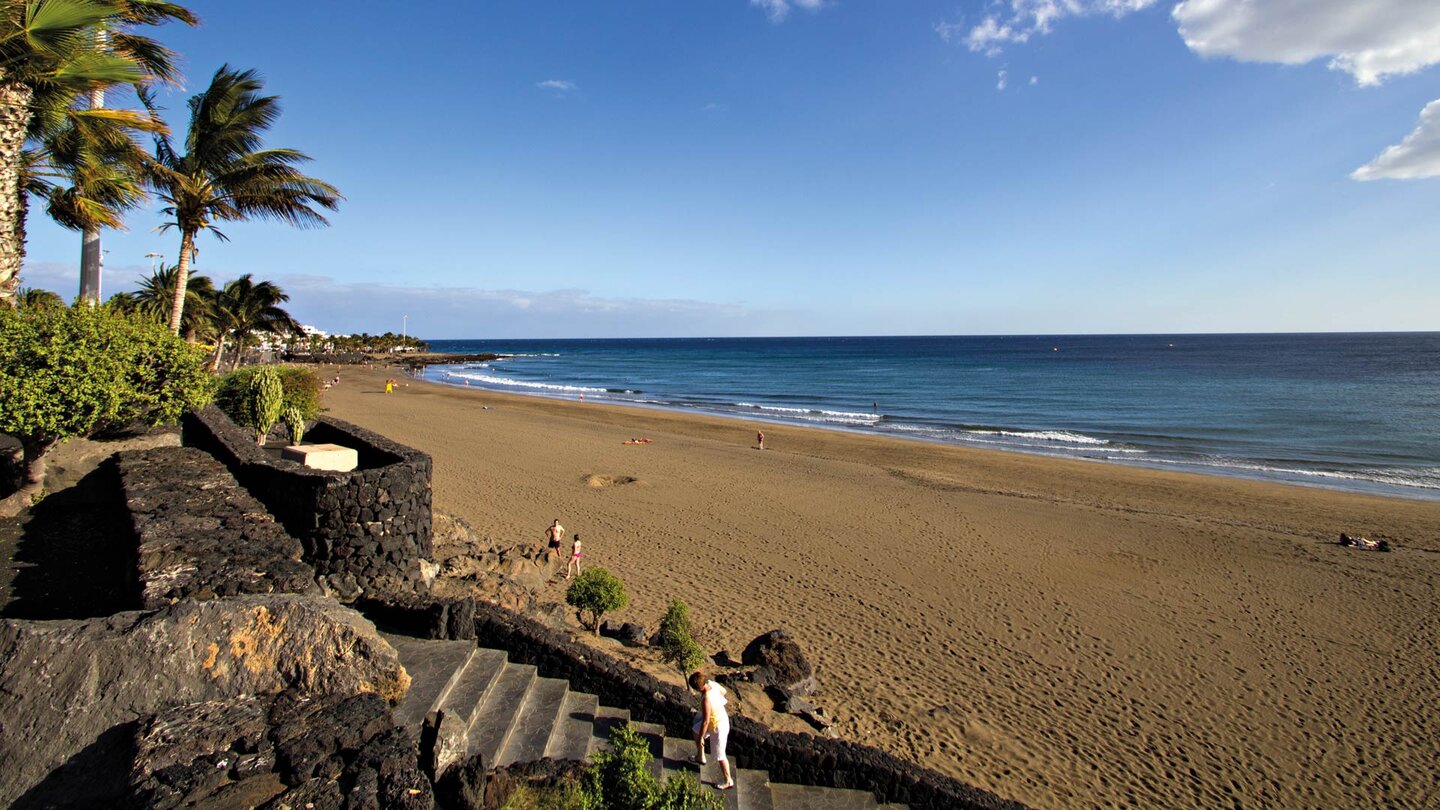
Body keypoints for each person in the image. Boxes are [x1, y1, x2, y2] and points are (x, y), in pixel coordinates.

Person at [689, 670, 734, 790]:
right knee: (695, 730)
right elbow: (724, 691)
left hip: (718, 726)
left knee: (720, 755)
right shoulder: (712, 684)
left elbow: (705, 721)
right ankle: (700, 756)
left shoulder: (706, 699)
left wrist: (701, 738)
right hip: (720, 717)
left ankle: (728, 780)